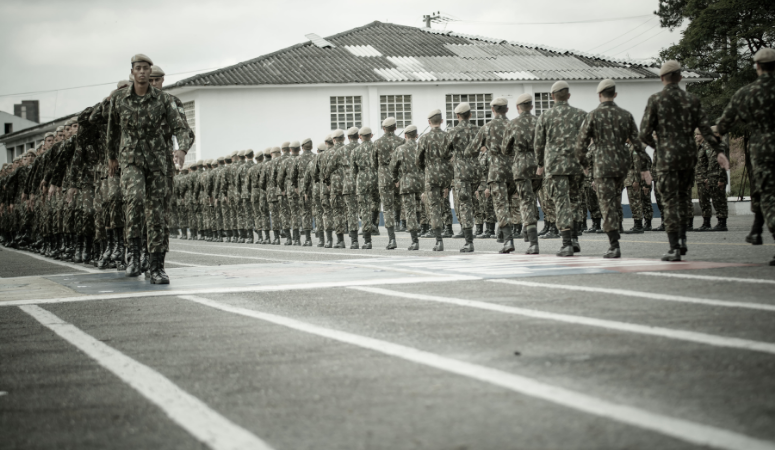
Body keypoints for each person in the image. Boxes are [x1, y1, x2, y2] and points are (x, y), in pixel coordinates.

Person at [107, 54, 192, 283]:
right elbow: (113, 130)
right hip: (132, 160)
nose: (144, 73)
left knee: (157, 214)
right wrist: (112, 157)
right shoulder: (120, 99)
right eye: (139, 68)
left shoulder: (164, 100)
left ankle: (156, 266)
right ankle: (133, 253)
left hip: (158, 163)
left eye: (147, 69)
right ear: (133, 72)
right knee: (133, 199)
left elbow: (182, 128)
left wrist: (182, 150)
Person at [640, 60, 728, 261]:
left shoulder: (655, 100)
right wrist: (719, 151)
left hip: (666, 160)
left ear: (662, 78)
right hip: (688, 159)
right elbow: (706, 130)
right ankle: (683, 236)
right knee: (683, 197)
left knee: (670, 201)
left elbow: (644, 134)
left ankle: (675, 245)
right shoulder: (692, 100)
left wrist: (659, 147)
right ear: (680, 77)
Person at [577, 79, 651, 258]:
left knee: (606, 204)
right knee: (615, 200)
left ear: (599, 95)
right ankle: (617, 230)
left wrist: (585, 166)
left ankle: (614, 244)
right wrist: (645, 168)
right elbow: (637, 142)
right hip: (622, 167)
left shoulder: (593, 116)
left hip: (603, 167)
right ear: (615, 94)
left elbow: (581, 145)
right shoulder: (625, 115)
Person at [715, 47, 774, 264]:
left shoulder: (747, 93)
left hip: (763, 151)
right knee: (761, 192)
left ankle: (760, 230)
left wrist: (719, 148)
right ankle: (756, 229)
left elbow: (723, 124)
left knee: (768, 195)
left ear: (757, 67)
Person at [535, 81, 587, 257]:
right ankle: (575, 239)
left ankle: (566, 243)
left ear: (552, 96)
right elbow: (590, 140)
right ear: (569, 95)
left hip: (556, 167)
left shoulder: (545, 116)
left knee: (561, 202)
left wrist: (540, 164)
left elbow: (538, 144)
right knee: (575, 200)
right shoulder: (581, 115)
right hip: (576, 165)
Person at [503, 93, 541, 254]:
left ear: (518, 108)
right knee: (532, 198)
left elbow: (505, 148)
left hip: (521, 167)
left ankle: (533, 241)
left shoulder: (513, 124)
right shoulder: (539, 122)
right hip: (538, 166)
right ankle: (527, 227)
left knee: (525, 200)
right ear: (531, 107)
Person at [445, 102, 479, 252]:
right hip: (478, 171)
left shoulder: (453, 132)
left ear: (457, 116)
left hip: (462, 173)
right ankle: (486, 229)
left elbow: (445, 152)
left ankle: (469, 241)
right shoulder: (479, 130)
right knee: (478, 203)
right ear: (470, 114)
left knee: (464, 205)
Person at [417, 109, 453, 252]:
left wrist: (425, 169)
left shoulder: (424, 138)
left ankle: (439, 241)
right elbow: (452, 157)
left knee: (434, 207)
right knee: (445, 203)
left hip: (431, 176)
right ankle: (449, 227)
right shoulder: (448, 137)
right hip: (445, 175)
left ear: (429, 122)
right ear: (442, 121)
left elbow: (418, 160)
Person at [374, 117, 404, 249]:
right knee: (400, 202)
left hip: (384, 176)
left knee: (387, 208)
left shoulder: (377, 143)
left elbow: (373, 162)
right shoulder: (401, 141)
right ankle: (399, 223)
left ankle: (392, 239)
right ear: (395, 127)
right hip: (398, 176)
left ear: (383, 128)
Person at [391, 125, 423, 250]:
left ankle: (415, 241)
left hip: (407, 183)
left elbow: (393, 167)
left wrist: (395, 179)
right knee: (419, 208)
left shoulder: (400, 149)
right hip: (421, 182)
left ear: (405, 136)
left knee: (409, 211)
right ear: (417, 135)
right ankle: (421, 228)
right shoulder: (421, 147)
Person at [351, 127, 377, 249]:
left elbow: (353, 171)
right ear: (371, 135)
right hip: (377, 178)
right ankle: (390, 238)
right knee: (384, 207)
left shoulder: (355, 151)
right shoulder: (377, 148)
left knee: (365, 210)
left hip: (362, 181)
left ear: (360, 137)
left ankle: (367, 241)